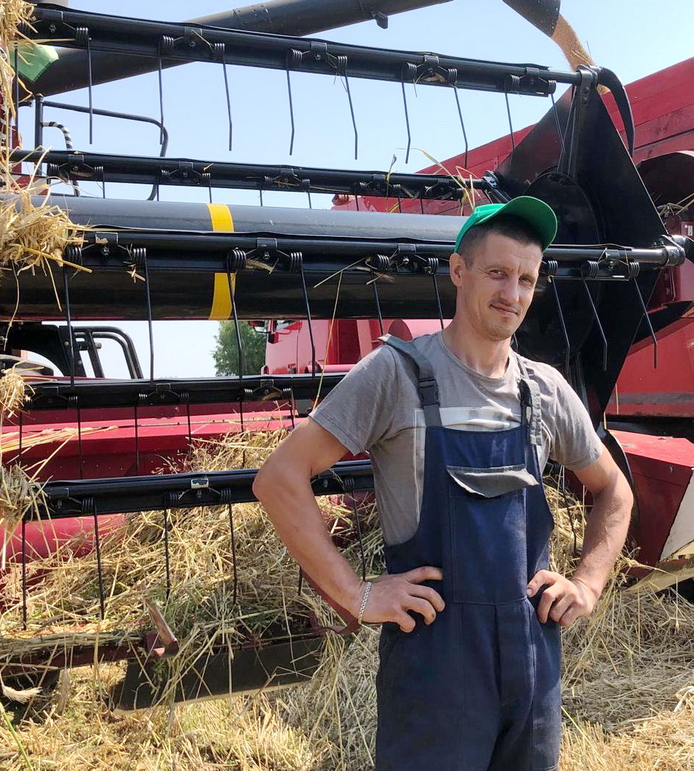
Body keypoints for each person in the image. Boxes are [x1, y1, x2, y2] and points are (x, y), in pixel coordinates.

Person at [253, 196, 634, 771]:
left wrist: (588, 583)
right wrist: (357, 595)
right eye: (497, 272)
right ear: (459, 270)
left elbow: (614, 490)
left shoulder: (545, 389)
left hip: (533, 660)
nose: (512, 293)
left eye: (526, 280)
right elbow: (279, 478)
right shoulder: (397, 373)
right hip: (434, 661)